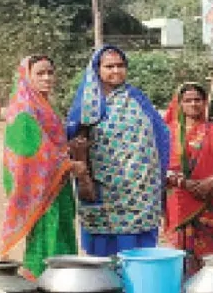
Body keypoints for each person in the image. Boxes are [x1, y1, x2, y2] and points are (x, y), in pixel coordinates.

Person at [66, 45, 170, 256]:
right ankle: (108, 288)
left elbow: (161, 135)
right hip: (106, 190)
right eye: (109, 66)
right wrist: (85, 179)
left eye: (120, 65)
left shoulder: (137, 98)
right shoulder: (89, 102)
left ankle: (136, 287)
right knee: (107, 251)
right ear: (97, 69)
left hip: (142, 190)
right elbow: (76, 141)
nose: (116, 71)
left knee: (140, 254)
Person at [0, 55, 84, 277]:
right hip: (41, 188)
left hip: (56, 186)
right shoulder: (24, 108)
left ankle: (65, 288)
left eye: (50, 72)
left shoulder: (43, 104)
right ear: (26, 76)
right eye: (40, 73)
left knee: (61, 235)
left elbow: (51, 142)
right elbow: (28, 155)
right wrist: (69, 164)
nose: (47, 77)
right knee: (46, 240)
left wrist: (69, 146)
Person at [162, 83, 213, 276]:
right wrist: (182, 182)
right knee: (179, 245)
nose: (193, 104)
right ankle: (180, 288)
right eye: (187, 100)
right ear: (180, 104)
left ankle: (211, 286)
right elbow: (158, 166)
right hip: (179, 197)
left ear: (204, 102)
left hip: (211, 196)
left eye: (198, 100)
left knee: (212, 247)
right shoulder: (165, 132)